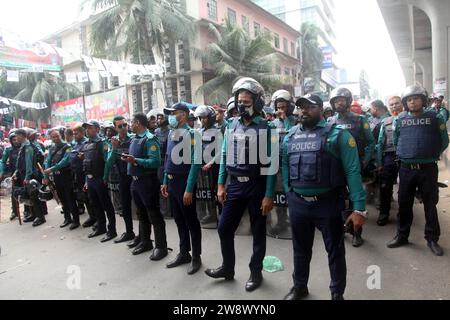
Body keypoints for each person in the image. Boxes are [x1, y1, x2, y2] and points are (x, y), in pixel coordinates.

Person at [283, 94, 367, 301]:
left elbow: (353, 171)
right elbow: (284, 165)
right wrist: (289, 191)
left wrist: (359, 208)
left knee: (335, 251)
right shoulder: (290, 135)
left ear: (321, 109)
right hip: (298, 204)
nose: (304, 111)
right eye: (301, 107)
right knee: (300, 249)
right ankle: (299, 286)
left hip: (328, 203)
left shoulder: (338, 135)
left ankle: (337, 292)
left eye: (309, 107)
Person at [205, 77, 276, 292]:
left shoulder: (267, 127)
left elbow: (272, 164)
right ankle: (228, 268)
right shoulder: (231, 125)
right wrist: (220, 185)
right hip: (234, 185)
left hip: (257, 186)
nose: (242, 105)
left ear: (256, 103)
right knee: (225, 227)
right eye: (240, 101)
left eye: (247, 101)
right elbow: (225, 155)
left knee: (257, 231)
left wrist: (268, 195)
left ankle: (256, 272)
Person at [387, 85, 449, 256]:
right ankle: (402, 235)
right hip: (406, 168)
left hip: (428, 168)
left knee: (430, 204)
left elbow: (443, 141)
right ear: (406, 103)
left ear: (423, 100)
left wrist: (430, 154)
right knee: (404, 204)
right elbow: (397, 138)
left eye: (415, 98)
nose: (412, 101)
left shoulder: (435, 117)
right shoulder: (399, 119)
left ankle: (432, 239)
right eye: (409, 99)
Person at [328, 87, 375, 247]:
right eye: (335, 100)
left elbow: (370, 142)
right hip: (337, 167)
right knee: (339, 199)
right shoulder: (330, 122)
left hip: (356, 166)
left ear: (348, 101)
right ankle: (342, 227)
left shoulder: (360, 120)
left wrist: (365, 161)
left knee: (357, 198)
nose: (338, 103)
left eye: (341, 100)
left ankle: (357, 233)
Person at [161, 103, 202, 274]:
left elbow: (195, 163)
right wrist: (164, 181)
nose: (170, 116)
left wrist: (189, 189)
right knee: (178, 219)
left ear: (184, 115)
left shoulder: (193, 135)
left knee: (191, 221)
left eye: (174, 113)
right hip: (172, 183)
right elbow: (167, 159)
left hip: (184, 183)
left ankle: (196, 257)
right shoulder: (172, 133)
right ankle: (184, 252)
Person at [126, 113, 168, 260]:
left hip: (147, 182)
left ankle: (161, 247)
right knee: (141, 214)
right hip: (135, 182)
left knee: (154, 214)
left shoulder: (150, 139)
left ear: (138, 123)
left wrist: (135, 160)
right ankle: (145, 242)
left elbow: (155, 162)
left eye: (132, 122)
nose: (130, 124)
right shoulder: (134, 139)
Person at [82, 120, 117, 242]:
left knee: (107, 205)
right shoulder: (86, 145)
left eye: (90, 128)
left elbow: (108, 161)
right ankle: (101, 227)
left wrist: (105, 177)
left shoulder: (103, 143)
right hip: (91, 180)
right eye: (86, 128)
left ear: (97, 129)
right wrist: (87, 181)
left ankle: (112, 230)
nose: (87, 130)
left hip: (100, 179)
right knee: (95, 205)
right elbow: (86, 165)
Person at [269, 90, 296, 236]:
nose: (280, 110)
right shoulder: (272, 123)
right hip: (277, 165)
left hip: (292, 165)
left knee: (292, 193)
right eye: (278, 107)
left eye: (283, 107)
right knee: (279, 193)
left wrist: (285, 119)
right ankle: (281, 221)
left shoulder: (295, 121)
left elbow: (293, 135)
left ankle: (297, 220)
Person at [106, 116, 136, 244]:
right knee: (125, 207)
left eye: (125, 125)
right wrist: (114, 148)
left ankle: (143, 237)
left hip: (135, 176)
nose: (123, 128)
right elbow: (109, 162)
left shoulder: (134, 139)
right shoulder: (113, 141)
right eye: (120, 126)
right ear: (115, 128)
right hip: (122, 178)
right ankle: (129, 232)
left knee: (141, 208)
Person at [43, 129, 80, 230]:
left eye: (57, 136)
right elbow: (48, 160)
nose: (56, 138)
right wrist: (46, 174)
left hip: (66, 175)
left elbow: (65, 161)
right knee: (62, 197)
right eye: (53, 137)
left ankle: (76, 220)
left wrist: (52, 168)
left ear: (61, 135)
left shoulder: (67, 146)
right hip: (57, 177)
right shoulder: (52, 148)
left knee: (70, 198)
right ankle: (67, 218)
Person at [375, 96, 403, 226]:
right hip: (389, 156)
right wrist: (380, 163)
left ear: (402, 104)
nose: (394, 106)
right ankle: (384, 213)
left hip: (405, 156)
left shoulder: (408, 118)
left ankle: (403, 215)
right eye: (391, 104)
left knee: (405, 187)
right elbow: (380, 142)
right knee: (385, 186)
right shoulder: (385, 122)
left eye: (396, 103)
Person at [194, 105, 222, 227]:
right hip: (202, 167)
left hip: (215, 166)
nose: (203, 120)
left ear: (210, 118)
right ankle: (211, 214)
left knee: (217, 192)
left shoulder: (218, 131)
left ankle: (221, 215)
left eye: (205, 117)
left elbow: (221, 150)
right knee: (206, 192)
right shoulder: (199, 132)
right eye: (201, 118)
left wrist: (211, 163)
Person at [12, 129, 46, 227]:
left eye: (17, 136)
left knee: (34, 196)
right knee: (29, 196)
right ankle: (33, 214)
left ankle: (40, 217)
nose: (16, 138)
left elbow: (29, 164)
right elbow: (20, 163)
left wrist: (27, 177)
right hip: (24, 175)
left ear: (23, 135)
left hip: (31, 176)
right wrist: (16, 173)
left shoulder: (28, 147)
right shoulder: (23, 146)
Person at [69, 124, 96, 228]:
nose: (75, 135)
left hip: (86, 174)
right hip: (77, 174)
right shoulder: (75, 145)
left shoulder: (86, 143)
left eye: (77, 133)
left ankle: (96, 218)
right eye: (74, 134)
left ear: (82, 132)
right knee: (84, 197)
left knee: (90, 197)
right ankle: (92, 216)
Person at [0, 130, 21, 220]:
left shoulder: (24, 147)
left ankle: (28, 210)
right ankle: (14, 212)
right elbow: (3, 161)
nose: (16, 141)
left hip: (23, 172)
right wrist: (1, 172)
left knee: (27, 191)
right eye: (13, 140)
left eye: (17, 139)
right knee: (14, 193)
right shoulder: (8, 149)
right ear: (11, 140)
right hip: (13, 174)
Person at [155, 112, 171, 219]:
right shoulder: (156, 132)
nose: (159, 120)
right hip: (158, 162)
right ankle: (163, 210)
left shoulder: (169, 132)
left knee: (166, 186)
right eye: (158, 118)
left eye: (161, 118)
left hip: (166, 161)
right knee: (160, 187)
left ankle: (168, 211)